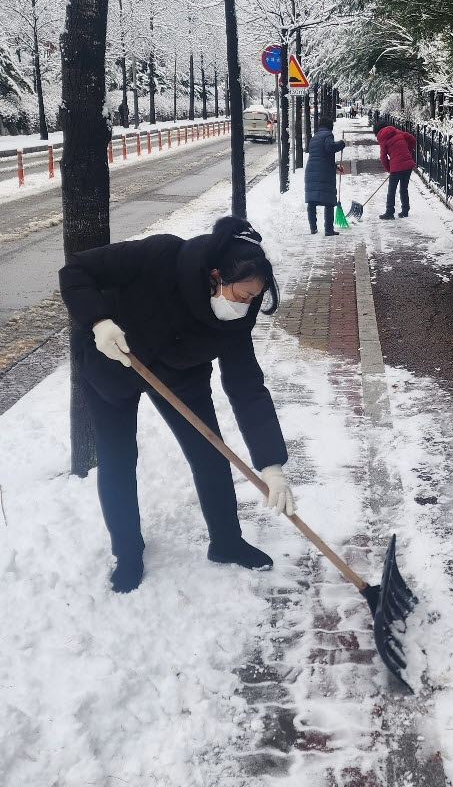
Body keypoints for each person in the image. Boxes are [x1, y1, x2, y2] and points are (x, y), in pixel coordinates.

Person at [58, 215, 294, 594]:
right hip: (115, 359)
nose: (246, 306)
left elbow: (246, 385)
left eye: (255, 298)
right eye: (243, 296)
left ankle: (226, 542)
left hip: (183, 373)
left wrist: (271, 464)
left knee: (211, 453)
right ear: (216, 277)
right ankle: (128, 553)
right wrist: (98, 321)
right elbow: (76, 270)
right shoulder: (161, 255)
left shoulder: (238, 316)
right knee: (118, 459)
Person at [304, 113, 346, 236]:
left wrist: (335, 166)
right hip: (324, 172)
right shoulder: (328, 135)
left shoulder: (314, 137)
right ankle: (328, 229)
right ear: (330, 126)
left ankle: (313, 228)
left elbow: (321, 155)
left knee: (312, 201)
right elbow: (329, 148)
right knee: (329, 201)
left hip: (311, 171)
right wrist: (342, 143)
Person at [374, 121, 416, 219]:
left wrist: (389, 169)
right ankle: (405, 211)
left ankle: (389, 212)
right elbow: (412, 139)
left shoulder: (382, 137)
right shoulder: (397, 131)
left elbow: (383, 157)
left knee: (391, 190)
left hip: (396, 167)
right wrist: (407, 152)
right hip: (408, 165)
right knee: (403, 189)